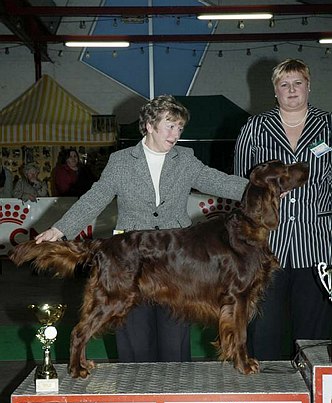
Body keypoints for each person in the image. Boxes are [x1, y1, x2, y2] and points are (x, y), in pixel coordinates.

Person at [35, 94, 248, 363]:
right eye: (170, 126)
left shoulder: (186, 159)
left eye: (180, 128)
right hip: (131, 261)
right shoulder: (121, 161)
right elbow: (95, 198)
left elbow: (220, 182)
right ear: (149, 125)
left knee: (174, 341)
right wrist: (60, 230)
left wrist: (262, 188)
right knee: (134, 339)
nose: (176, 134)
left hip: (175, 260)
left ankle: (173, 396)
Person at [234, 58, 332, 361]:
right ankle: (268, 393)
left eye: (298, 83)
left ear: (308, 86)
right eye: (284, 84)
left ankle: (316, 396)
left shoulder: (328, 124)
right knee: (264, 329)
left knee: (315, 334)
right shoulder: (255, 126)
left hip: (317, 243)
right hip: (266, 246)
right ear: (275, 91)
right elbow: (240, 183)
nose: (291, 90)